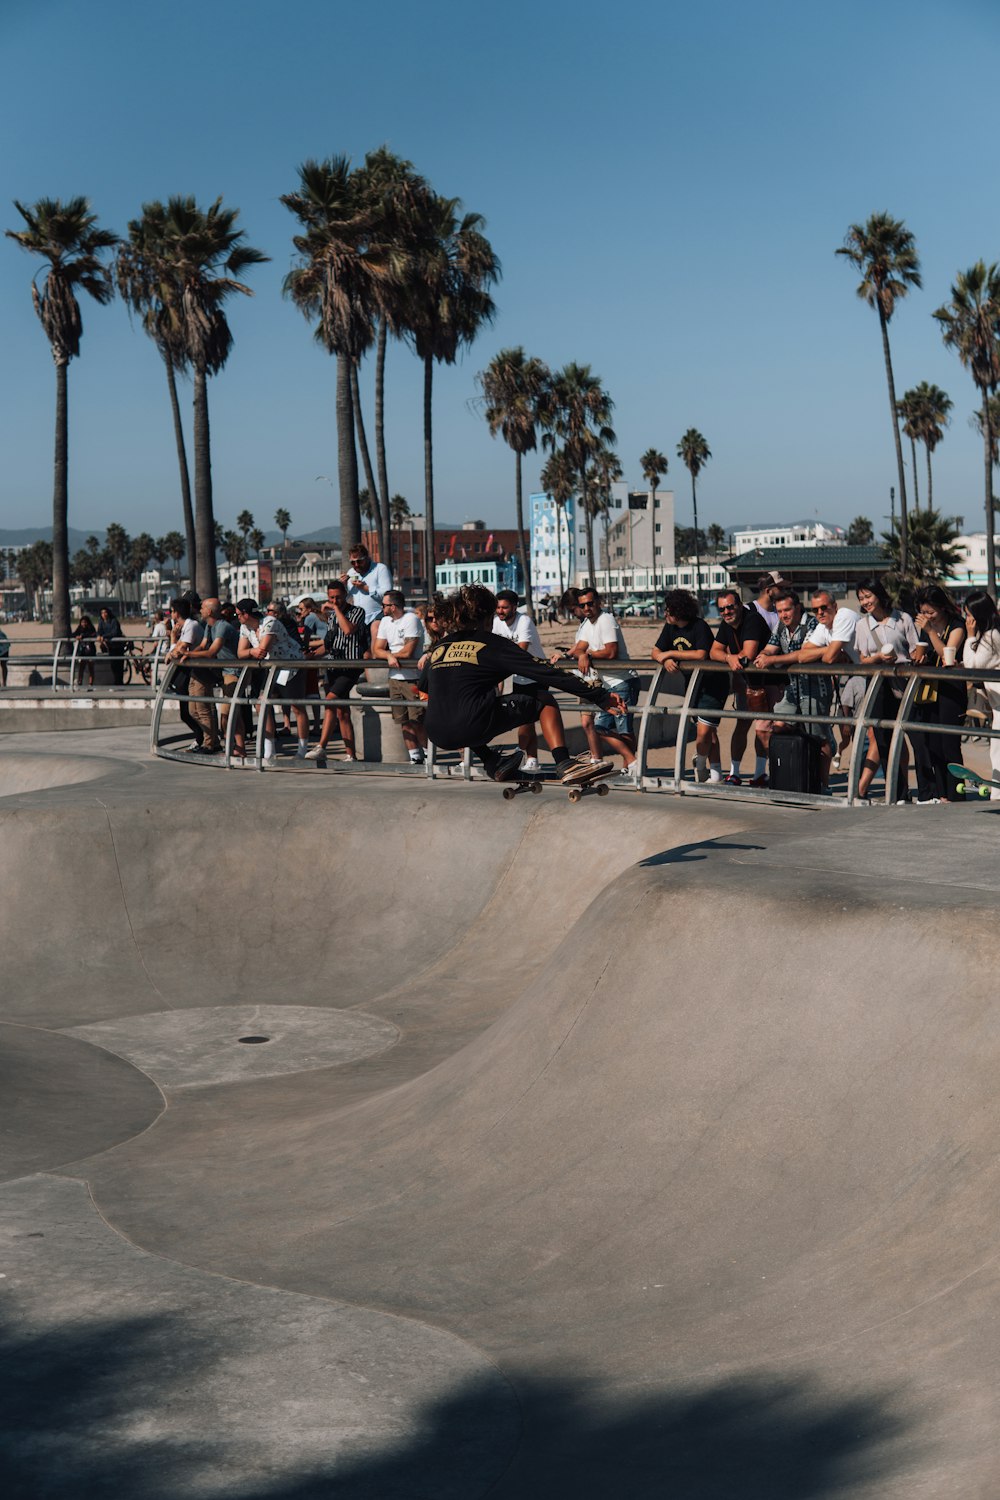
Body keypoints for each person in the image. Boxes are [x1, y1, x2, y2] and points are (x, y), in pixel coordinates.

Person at [422, 583, 625, 782]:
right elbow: (547, 673)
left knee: (466, 706)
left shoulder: (441, 647)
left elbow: (424, 685)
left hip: (436, 731)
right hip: (470, 724)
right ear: (486, 617)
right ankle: (565, 764)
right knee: (544, 699)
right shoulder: (492, 644)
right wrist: (600, 696)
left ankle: (492, 761)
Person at [555, 588, 640, 779]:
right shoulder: (587, 625)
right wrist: (567, 655)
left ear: (598, 602)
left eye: (590, 603)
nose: (587, 608)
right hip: (609, 684)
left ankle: (631, 765)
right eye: (583, 605)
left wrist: (588, 655)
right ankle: (632, 763)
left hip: (623, 680)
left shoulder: (606, 620)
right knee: (602, 727)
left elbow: (611, 652)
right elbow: (580, 648)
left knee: (623, 728)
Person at [854, 577, 920, 801]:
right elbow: (862, 659)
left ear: (879, 594)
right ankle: (897, 791)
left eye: (868, 596)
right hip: (877, 683)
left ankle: (920, 790)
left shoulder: (903, 619)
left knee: (910, 735)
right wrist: (878, 658)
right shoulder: (862, 625)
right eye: (861, 598)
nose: (865, 602)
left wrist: (903, 661)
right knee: (883, 738)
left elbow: (916, 650)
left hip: (904, 681)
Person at [650, 589, 721, 782]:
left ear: (679, 611)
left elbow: (701, 654)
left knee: (704, 731)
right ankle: (716, 773)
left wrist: (671, 653)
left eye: (668, 611)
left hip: (712, 684)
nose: (665, 614)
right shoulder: (669, 627)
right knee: (709, 732)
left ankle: (700, 765)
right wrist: (664, 660)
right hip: (692, 685)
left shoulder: (700, 626)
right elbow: (656, 651)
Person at [236, 596, 310, 765]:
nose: (237, 617)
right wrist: (251, 652)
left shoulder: (269, 622)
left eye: (238, 614)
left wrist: (252, 651)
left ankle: (302, 749)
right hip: (271, 668)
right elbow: (241, 652)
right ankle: (270, 751)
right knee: (262, 704)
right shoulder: (244, 627)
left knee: (296, 706)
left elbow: (263, 649)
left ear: (246, 614)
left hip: (290, 666)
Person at [709, 588, 771, 785]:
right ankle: (735, 773)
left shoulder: (752, 619)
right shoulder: (727, 624)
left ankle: (760, 773)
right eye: (722, 609)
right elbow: (714, 651)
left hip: (768, 682)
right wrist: (729, 657)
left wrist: (734, 657)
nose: (726, 612)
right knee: (742, 725)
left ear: (739, 605)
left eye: (730, 607)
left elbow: (749, 653)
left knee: (763, 729)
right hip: (747, 683)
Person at [911, 583, 966, 804]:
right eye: (923, 612)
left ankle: (956, 794)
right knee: (933, 743)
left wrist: (931, 632)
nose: (926, 617)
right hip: (930, 690)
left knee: (949, 744)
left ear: (942, 607)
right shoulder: (925, 629)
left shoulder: (956, 626)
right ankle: (942, 794)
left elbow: (947, 656)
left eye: (930, 612)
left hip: (951, 691)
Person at [305, 583, 369, 765]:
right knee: (342, 712)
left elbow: (348, 630)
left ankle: (321, 747)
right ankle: (351, 756)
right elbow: (328, 645)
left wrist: (335, 610)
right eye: (331, 598)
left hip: (350, 667)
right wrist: (310, 656)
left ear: (345, 595)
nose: (334, 601)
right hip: (333, 667)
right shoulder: (332, 617)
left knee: (330, 702)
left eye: (338, 597)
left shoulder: (357, 612)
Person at [182, 597, 242, 758]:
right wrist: (189, 653)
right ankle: (235, 747)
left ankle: (229, 748)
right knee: (230, 713)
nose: (199, 610)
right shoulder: (210, 625)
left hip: (233, 672)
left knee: (227, 714)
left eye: (202, 608)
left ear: (209, 611)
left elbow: (211, 651)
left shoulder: (222, 627)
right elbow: (203, 645)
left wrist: (188, 654)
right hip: (224, 672)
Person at [374, 590, 428, 764]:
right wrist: (389, 656)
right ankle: (415, 757)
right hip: (395, 678)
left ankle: (429, 756)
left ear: (393, 606)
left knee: (417, 720)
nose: (382, 607)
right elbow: (377, 649)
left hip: (412, 677)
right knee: (403, 720)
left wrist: (389, 654)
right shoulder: (384, 621)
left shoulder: (410, 619)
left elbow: (408, 651)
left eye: (384, 605)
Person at [493, 590, 545, 770]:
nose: (500, 611)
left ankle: (519, 752)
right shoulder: (496, 624)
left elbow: (520, 650)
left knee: (526, 718)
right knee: (526, 719)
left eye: (505, 607)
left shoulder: (524, 622)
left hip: (536, 676)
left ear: (514, 607)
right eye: (498, 607)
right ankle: (532, 759)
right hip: (517, 677)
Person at [963, 590, 1000, 799]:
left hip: (999, 702)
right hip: (997, 701)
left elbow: (972, 665)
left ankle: (997, 793)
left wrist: (969, 637)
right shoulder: (992, 633)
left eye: (969, 614)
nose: (968, 619)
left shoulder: (991, 635)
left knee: (997, 746)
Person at [165, 597, 205, 747]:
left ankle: (204, 739)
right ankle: (201, 738)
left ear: (176, 613)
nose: (170, 614)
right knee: (187, 713)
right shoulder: (184, 627)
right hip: (188, 673)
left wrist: (173, 639)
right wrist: (174, 645)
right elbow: (173, 654)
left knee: (193, 712)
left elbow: (177, 652)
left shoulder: (191, 626)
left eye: (171, 611)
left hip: (194, 673)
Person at [339, 544, 392, 633]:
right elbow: (348, 598)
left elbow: (388, 595)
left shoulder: (380, 569)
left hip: (377, 617)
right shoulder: (351, 572)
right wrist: (343, 586)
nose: (356, 565)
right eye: (353, 562)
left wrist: (365, 587)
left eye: (359, 561)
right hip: (357, 621)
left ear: (367, 558)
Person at [97, 605, 125, 685]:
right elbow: (99, 631)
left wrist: (104, 636)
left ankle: (119, 682)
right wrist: (99, 636)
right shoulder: (101, 622)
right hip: (110, 646)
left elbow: (115, 632)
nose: (104, 614)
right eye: (102, 613)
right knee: (113, 665)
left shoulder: (114, 621)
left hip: (118, 646)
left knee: (119, 665)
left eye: (105, 612)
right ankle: (117, 681)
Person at [72, 615, 98, 689]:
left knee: (91, 667)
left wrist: (83, 636)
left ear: (88, 622)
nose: (84, 624)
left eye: (85, 622)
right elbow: (73, 634)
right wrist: (76, 636)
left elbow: (93, 634)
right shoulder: (79, 629)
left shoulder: (91, 628)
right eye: (82, 622)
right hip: (82, 651)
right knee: (81, 667)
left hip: (90, 651)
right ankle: (80, 682)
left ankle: (91, 684)